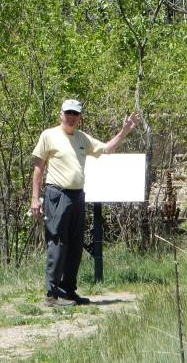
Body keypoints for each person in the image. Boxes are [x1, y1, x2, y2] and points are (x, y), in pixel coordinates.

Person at [31, 99, 139, 306]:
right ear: (61, 114)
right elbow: (38, 168)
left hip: (78, 196)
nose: (72, 117)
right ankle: (51, 295)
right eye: (68, 113)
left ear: (80, 117)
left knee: (75, 245)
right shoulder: (49, 135)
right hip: (57, 195)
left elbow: (106, 148)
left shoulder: (82, 138)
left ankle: (67, 290)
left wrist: (125, 130)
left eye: (76, 114)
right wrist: (35, 199)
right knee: (57, 243)